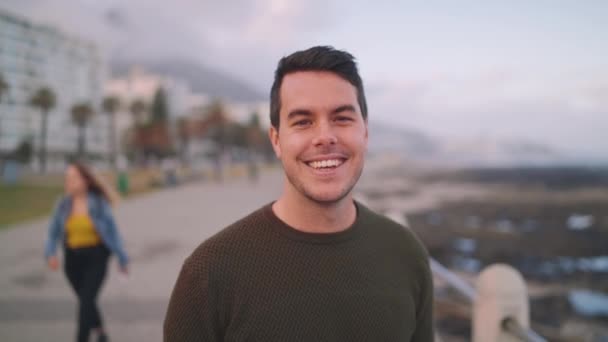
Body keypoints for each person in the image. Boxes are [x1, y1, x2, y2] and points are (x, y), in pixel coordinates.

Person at [164, 46, 434, 341]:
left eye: (342, 118)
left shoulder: (405, 254)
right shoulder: (211, 272)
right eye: (303, 121)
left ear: (365, 133)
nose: (324, 137)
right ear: (277, 140)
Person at [45, 162, 129, 342]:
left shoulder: (98, 203)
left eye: (74, 178)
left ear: (86, 181)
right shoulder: (62, 204)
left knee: (85, 303)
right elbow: (52, 233)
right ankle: (100, 331)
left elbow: (113, 232)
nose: (69, 182)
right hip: (72, 261)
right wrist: (51, 253)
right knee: (86, 301)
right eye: (67, 178)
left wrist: (123, 259)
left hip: (96, 259)